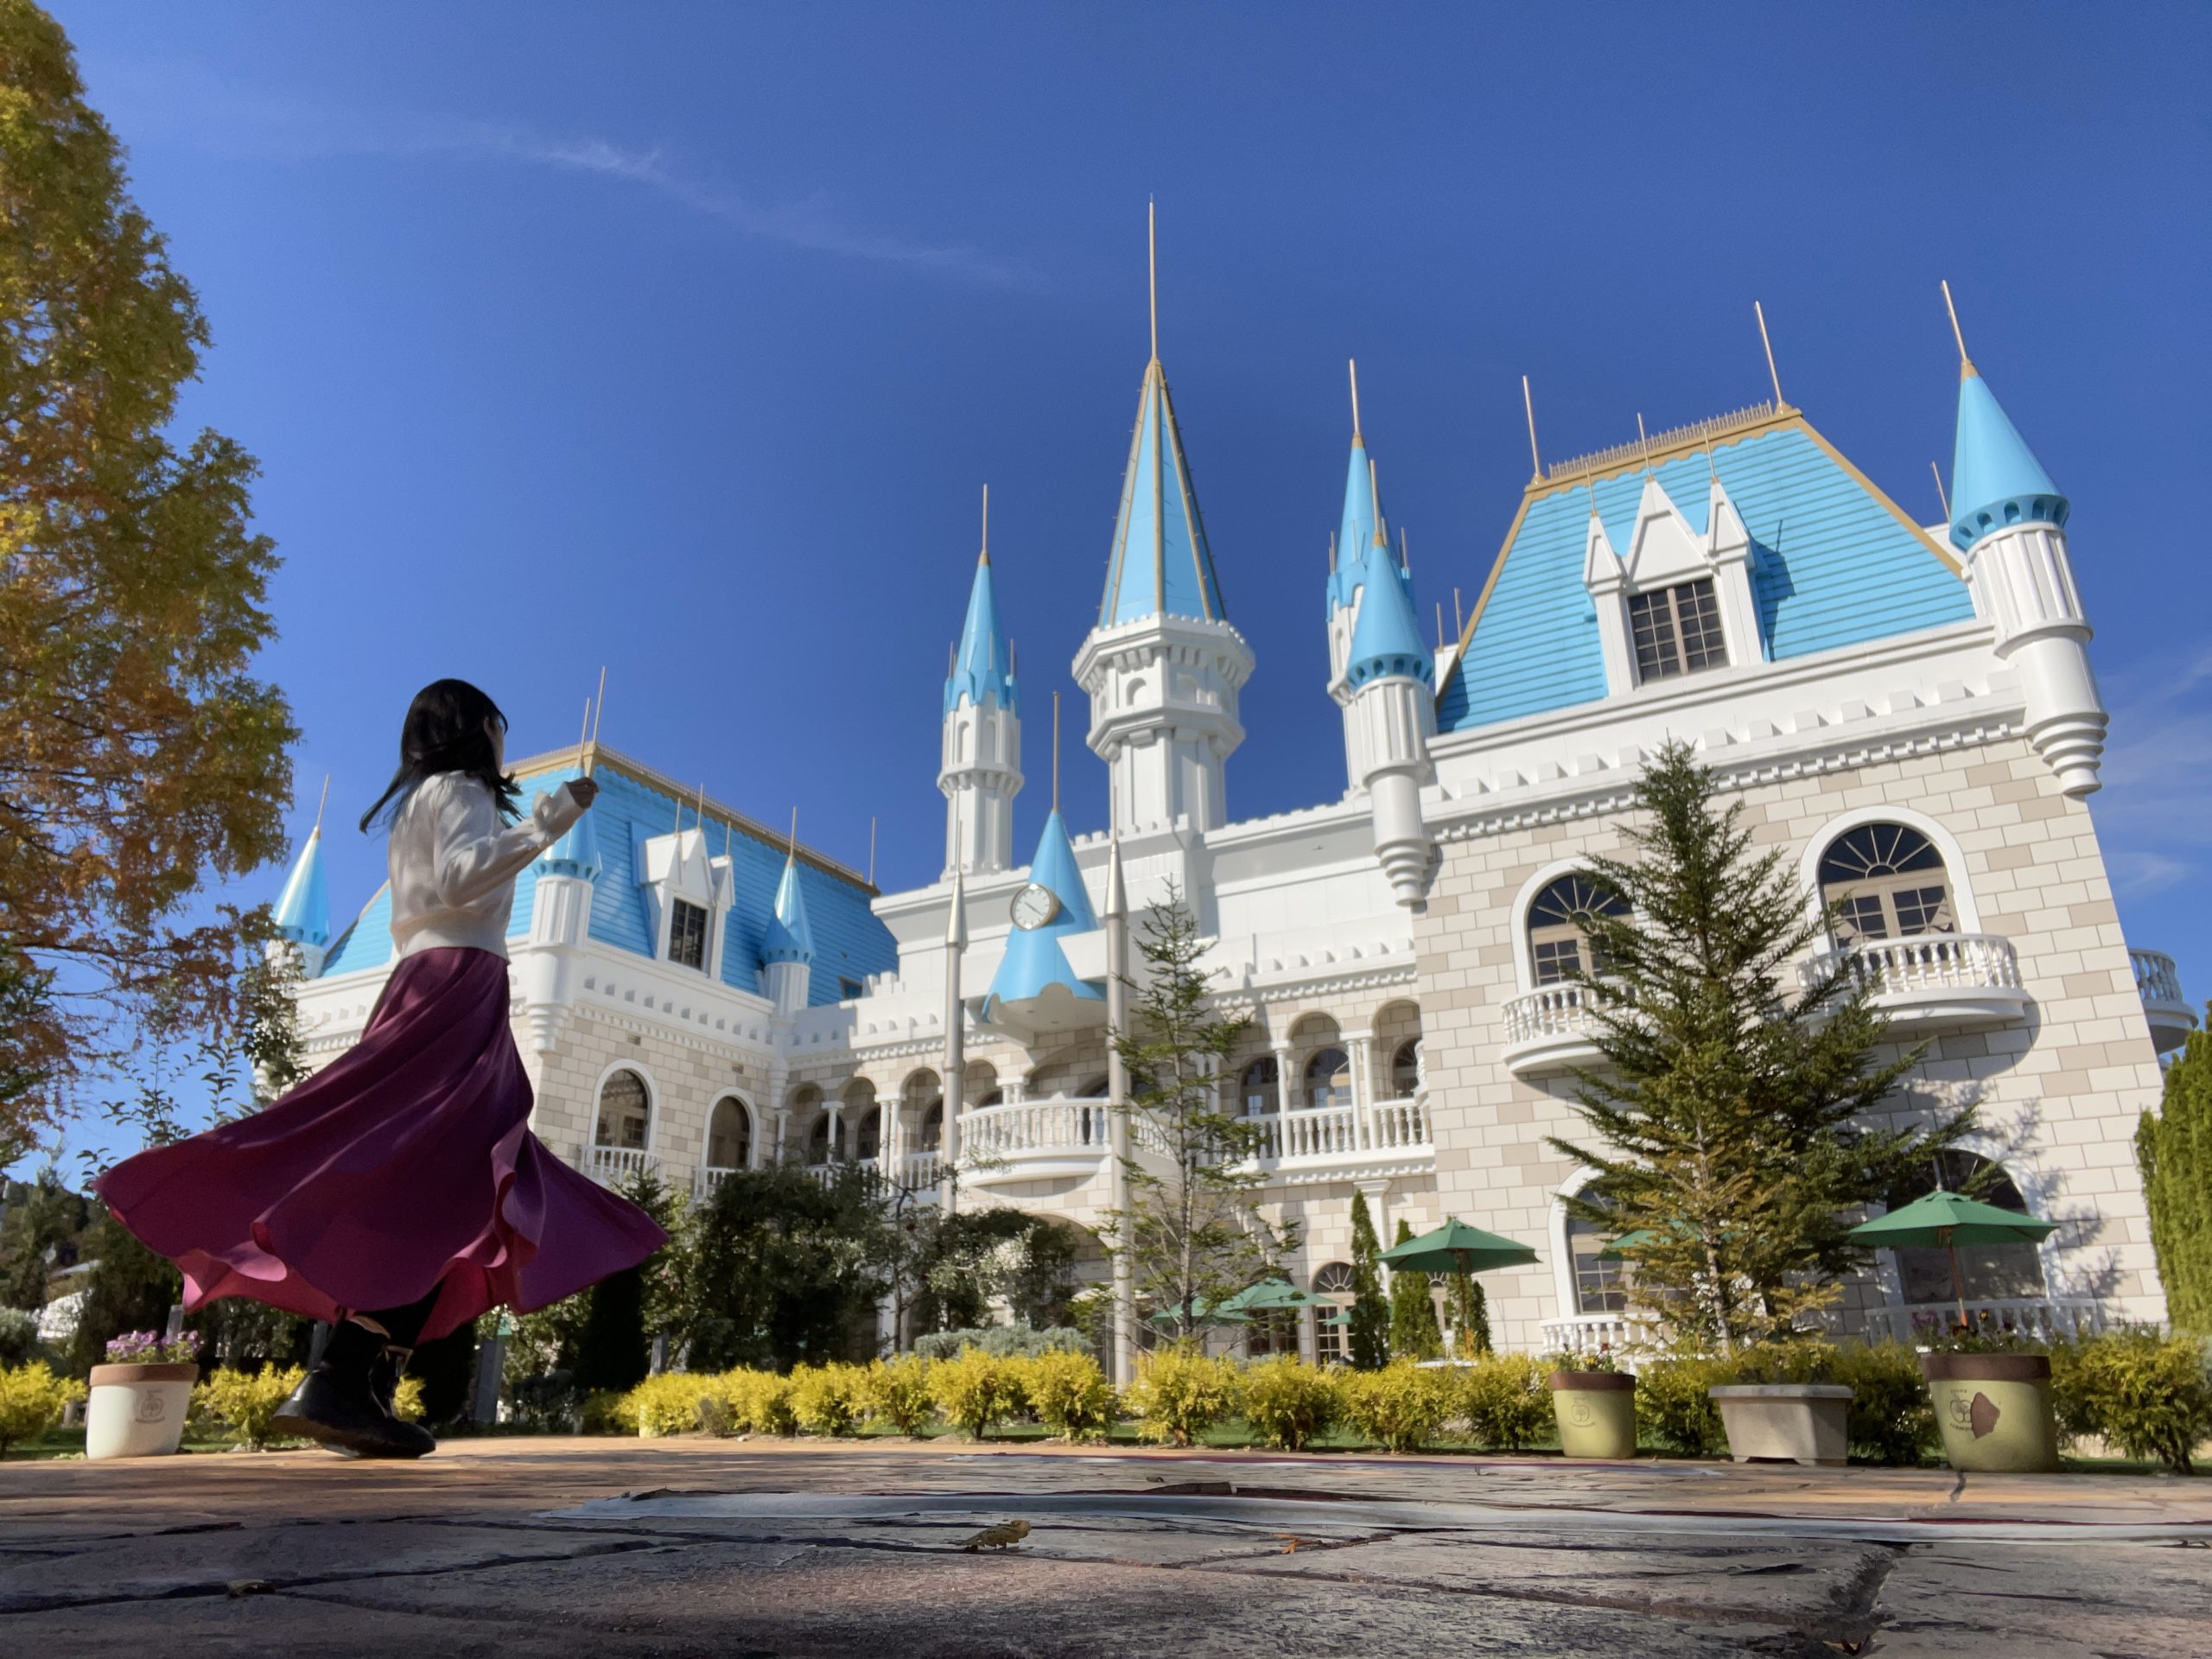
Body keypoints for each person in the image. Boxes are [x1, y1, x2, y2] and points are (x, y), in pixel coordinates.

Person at [98, 680, 667, 1458]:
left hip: (426, 983)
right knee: (455, 1185)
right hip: (457, 987)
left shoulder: (416, 803)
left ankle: (356, 1382)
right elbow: (464, 878)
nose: (505, 744)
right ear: (476, 731)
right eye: (499, 729)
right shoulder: (462, 789)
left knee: (421, 1179)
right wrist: (552, 817)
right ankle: (347, 1378)